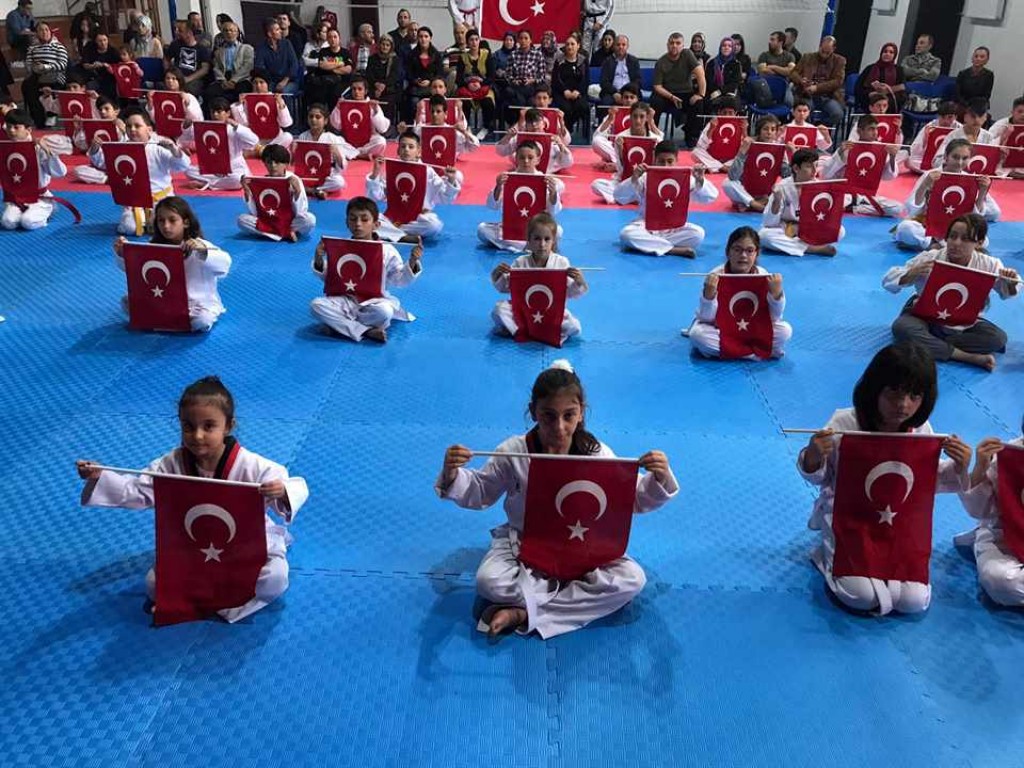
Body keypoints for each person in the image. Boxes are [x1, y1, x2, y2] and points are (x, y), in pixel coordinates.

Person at [437, 359, 679, 638]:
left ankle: (523, 613)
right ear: (533, 412)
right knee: (488, 582)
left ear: (581, 413)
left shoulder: (596, 454)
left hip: (584, 546)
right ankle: (565, 600)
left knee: (632, 579)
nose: (560, 427)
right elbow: (481, 490)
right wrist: (452, 472)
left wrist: (660, 475)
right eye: (549, 416)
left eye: (569, 415)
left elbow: (631, 498)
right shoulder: (514, 451)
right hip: (526, 543)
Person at [77, 375, 309, 623]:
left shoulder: (250, 465)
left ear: (228, 426)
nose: (197, 436)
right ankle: (214, 599)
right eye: (188, 426)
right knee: (154, 585)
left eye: (208, 426)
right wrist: (99, 476)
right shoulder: (171, 464)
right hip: (192, 548)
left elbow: (295, 486)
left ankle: (219, 605)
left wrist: (280, 491)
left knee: (275, 579)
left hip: (245, 546)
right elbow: (137, 491)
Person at [798, 342, 971, 615]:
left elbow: (924, 482)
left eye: (914, 396)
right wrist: (813, 454)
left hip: (898, 520)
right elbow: (820, 477)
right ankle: (826, 557)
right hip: (850, 515)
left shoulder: (921, 429)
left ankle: (873, 573)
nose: (903, 405)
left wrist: (961, 465)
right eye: (893, 393)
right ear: (875, 388)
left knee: (912, 601)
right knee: (861, 595)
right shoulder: (845, 423)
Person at [885, 215, 1018, 371]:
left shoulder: (990, 264)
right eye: (952, 236)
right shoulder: (930, 257)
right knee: (901, 327)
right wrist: (910, 274)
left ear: (979, 242)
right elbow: (888, 280)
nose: (956, 243)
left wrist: (1010, 283)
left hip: (961, 321)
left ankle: (929, 343)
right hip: (923, 316)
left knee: (997, 339)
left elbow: (1008, 293)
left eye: (965, 239)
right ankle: (966, 356)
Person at [310, 196, 423, 344]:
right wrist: (319, 259)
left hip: (374, 302)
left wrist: (412, 262)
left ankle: (339, 326)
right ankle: (366, 331)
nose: (358, 224)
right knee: (316, 306)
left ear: (376, 224)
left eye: (364, 219)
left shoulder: (386, 250)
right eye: (353, 219)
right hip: (345, 300)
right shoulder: (340, 246)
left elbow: (399, 280)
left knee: (385, 312)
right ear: (347, 222)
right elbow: (331, 278)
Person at [112, 197, 230, 332]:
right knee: (127, 301)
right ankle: (170, 322)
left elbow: (225, 266)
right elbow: (136, 271)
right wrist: (123, 253)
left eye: (172, 220)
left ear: (185, 222)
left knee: (202, 320)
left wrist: (203, 252)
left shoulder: (200, 245)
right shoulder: (154, 246)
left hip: (196, 305)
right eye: (161, 221)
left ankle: (163, 323)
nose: (166, 226)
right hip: (165, 301)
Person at [688, 226, 791, 358]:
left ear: (757, 253)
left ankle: (732, 351)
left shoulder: (763, 276)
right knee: (698, 335)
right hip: (724, 328)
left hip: (752, 329)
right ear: (728, 252)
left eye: (749, 251)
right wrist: (709, 296)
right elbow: (706, 318)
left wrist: (776, 296)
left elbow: (774, 318)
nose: (743, 256)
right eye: (737, 249)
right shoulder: (715, 275)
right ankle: (754, 354)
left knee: (785, 331)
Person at [88, 108, 191, 236]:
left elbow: (182, 167)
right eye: (129, 126)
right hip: (135, 201)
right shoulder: (121, 147)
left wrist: (174, 150)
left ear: (149, 129)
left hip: (161, 200)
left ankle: (150, 221)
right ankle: (141, 220)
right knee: (129, 228)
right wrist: (95, 149)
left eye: (137, 126)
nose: (132, 130)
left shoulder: (160, 146)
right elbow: (103, 163)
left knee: (163, 228)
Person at [490, 213, 586, 344]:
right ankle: (531, 329)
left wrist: (579, 281)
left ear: (553, 241)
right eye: (537, 239)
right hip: (524, 311)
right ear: (528, 240)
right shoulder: (520, 262)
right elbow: (507, 288)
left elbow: (570, 293)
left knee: (574, 327)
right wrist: (497, 275)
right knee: (499, 310)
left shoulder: (561, 262)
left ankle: (523, 329)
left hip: (552, 312)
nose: (542, 244)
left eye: (547, 239)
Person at [958, 418, 1024, 607]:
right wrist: (980, 468)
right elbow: (979, 511)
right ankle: (979, 546)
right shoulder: (1010, 455)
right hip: (1004, 535)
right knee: (999, 581)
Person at [617, 139, 718, 257]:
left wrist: (700, 180)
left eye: (670, 161)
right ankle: (672, 250)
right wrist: (634, 178)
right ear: (654, 160)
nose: (666, 165)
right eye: (661, 161)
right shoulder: (645, 178)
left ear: (676, 161)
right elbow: (619, 196)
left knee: (698, 234)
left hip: (674, 228)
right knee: (627, 234)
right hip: (646, 226)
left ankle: (649, 245)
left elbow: (710, 197)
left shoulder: (685, 179)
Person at [894, 139, 997, 251]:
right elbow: (913, 206)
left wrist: (982, 192)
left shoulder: (970, 179)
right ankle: (939, 245)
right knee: (905, 228)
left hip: (956, 228)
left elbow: (974, 216)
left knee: (984, 240)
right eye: (955, 157)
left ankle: (940, 246)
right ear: (946, 157)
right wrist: (925, 184)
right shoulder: (931, 175)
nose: (960, 162)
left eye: (965, 158)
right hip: (928, 225)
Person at [365, 130, 461, 241]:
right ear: (398, 150)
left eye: (411, 147)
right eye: (403, 146)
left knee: (434, 225)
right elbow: (376, 197)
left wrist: (451, 180)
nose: (406, 150)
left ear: (418, 151)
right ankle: (404, 236)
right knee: (370, 220)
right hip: (393, 217)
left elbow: (445, 198)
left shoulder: (427, 171)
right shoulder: (392, 169)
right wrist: (375, 173)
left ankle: (394, 233)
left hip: (418, 218)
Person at [478, 140, 564, 251]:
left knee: (558, 231)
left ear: (538, 160)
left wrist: (553, 193)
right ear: (516, 159)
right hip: (511, 227)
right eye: (522, 157)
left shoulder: (544, 180)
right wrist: (498, 186)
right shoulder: (508, 178)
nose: (526, 161)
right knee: (482, 230)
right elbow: (492, 206)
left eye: (530, 157)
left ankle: (513, 246)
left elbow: (553, 211)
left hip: (536, 229)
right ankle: (528, 246)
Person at [758, 148, 843, 256]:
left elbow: (823, 218)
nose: (814, 170)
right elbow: (768, 223)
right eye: (808, 166)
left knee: (840, 231)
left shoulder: (819, 187)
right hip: (784, 228)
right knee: (764, 236)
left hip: (808, 229)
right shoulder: (782, 187)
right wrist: (777, 201)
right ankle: (812, 248)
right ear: (796, 168)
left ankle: (795, 245)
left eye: (816, 165)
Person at [822, 115, 901, 217]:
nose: (875, 132)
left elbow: (889, 177)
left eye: (876, 129)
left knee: (897, 208)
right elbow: (826, 175)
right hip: (845, 193)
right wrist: (840, 152)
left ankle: (855, 208)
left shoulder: (882, 149)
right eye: (871, 129)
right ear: (859, 131)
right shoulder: (849, 147)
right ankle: (853, 205)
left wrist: (892, 157)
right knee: (825, 203)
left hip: (866, 196)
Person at [0, 108, 66, 230]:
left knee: (28, 222)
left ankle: (48, 208)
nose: (11, 130)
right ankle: (25, 211)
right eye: (8, 127)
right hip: (18, 197)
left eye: (16, 127)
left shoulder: (39, 148)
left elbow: (60, 173)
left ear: (28, 130)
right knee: (8, 222)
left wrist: (49, 153)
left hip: (39, 197)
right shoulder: (6, 148)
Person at [238, 144, 315, 241]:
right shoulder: (260, 181)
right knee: (241, 220)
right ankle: (286, 233)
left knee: (309, 220)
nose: (273, 166)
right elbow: (254, 213)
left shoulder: (294, 180)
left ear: (286, 164)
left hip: (289, 222)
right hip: (269, 221)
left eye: (277, 163)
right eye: (269, 162)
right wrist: (247, 190)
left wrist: (297, 191)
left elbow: (301, 212)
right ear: (264, 163)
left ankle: (272, 233)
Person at [591, 101, 662, 203]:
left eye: (642, 117)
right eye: (635, 116)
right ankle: (633, 198)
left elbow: (658, 168)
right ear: (630, 117)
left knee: (650, 185)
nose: (638, 120)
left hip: (645, 181)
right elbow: (621, 169)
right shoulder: (621, 137)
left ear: (647, 118)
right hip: (625, 181)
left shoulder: (655, 139)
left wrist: (655, 153)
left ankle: (624, 197)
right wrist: (620, 151)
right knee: (596, 184)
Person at [180, 97, 258, 190]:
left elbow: (254, 141)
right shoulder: (205, 127)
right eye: (213, 112)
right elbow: (187, 138)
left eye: (219, 112)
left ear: (228, 113)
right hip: (213, 168)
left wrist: (236, 125)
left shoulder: (234, 129)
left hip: (234, 169)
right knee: (188, 171)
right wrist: (187, 126)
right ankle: (214, 183)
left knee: (238, 180)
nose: (215, 115)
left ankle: (207, 184)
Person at [650, 32, 706, 148]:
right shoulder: (661, 62)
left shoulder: (687, 54)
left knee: (698, 102)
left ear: (682, 46)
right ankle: (652, 135)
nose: (674, 46)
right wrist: (671, 97)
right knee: (655, 101)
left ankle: (691, 136)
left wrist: (700, 94)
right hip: (667, 94)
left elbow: (700, 74)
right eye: (671, 43)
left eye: (678, 43)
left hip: (685, 93)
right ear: (667, 45)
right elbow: (657, 86)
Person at [722, 116, 788, 212]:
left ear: (776, 132)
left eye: (773, 129)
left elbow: (787, 176)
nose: (769, 132)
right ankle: (756, 205)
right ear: (759, 130)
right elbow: (733, 176)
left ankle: (749, 204)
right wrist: (742, 152)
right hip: (744, 191)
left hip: (767, 194)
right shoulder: (748, 143)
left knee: (788, 185)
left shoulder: (779, 148)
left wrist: (792, 154)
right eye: (765, 129)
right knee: (727, 183)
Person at [329, 75, 389, 160]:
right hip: (348, 142)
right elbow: (336, 126)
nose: (356, 92)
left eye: (360, 89)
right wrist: (338, 108)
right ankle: (360, 154)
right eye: (354, 89)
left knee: (381, 141)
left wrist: (376, 110)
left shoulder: (371, 105)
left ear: (366, 91)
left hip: (367, 142)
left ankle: (352, 153)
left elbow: (382, 129)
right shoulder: (345, 104)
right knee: (332, 140)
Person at [791, 36, 846, 128]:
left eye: (827, 52)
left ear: (834, 49)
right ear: (820, 46)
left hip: (828, 96)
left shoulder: (839, 61)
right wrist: (801, 80)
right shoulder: (807, 57)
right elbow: (793, 73)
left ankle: (819, 127)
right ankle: (808, 129)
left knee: (837, 114)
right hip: (807, 95)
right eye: (822, 51)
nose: (824, 55)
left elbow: (838, 81)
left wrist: (817, 88)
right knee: (803, 113)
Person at [496, 107, 573, 173]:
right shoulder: (519, 138)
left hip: (548, 175)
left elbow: (567, 163)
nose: (534, 124)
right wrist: (507, 137)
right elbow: (501, 152)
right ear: (526, 125)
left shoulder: (552, 140)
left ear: (543, 124)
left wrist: (561, 145)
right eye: (530, 122)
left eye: (537, 121)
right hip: (523, 173)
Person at [22, 23, 69, 129]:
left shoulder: (59, 47)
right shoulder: (32, 48)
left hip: (55, 74)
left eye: (46, 30)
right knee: (27, 85)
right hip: (37, 74)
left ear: (50, 32)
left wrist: (47, 67)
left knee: (48, 83)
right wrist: (34, 68)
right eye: (41, 30)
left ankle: (51, 113)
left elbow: (63, 64)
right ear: (37, 33)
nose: (44, 32)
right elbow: (28, 64)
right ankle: (38, 119)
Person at [296, 103, 348, 198]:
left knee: (339, 182)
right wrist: (294, 152)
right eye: (311, 116)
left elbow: (342, 166)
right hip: (307, 174)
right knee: (291, 180)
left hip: (326, 174)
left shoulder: (333, 138)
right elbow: (297, 164)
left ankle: (309, 190)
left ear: (325, 121)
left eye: (318, 117)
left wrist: (336, 153)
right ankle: (316, 191)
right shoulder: (302, 136)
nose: (313, 120)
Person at [231, 74, 292, 150]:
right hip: (255, 140)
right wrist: (240, 105)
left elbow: (286, 124)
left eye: (261, 82)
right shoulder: (248, 100)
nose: (258, 86)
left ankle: (263, 150)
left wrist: (281, 105)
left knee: (288, 136)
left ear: (267, 84)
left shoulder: (275, 99)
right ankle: (266, 151)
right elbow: (243, 124)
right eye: (255, 83)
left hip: (274, 139)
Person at [72, 95, 124, 183]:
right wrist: (78, 129)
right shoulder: (95, 126)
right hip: (102, 166)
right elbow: (81, 146)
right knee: (78, 170)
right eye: (100, 109)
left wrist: (123, 130)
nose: (102, 112)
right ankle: (108, 179)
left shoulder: (124, 126)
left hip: (120, 164)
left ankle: (115, 177)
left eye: (106, 109)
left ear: (116, 111)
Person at [456, 28, 495, 138]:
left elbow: (492, 76)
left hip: (483, 86)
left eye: (476, 39)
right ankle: (466, 127)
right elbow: (458, 78)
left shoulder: (486, 54)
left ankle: (486, 128)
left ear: (479, 41)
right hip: (467, 88)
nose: (474, 42)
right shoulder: (462, 57)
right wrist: (468, 84)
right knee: (464, 102)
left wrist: (480, 84)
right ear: (467, 42)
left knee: (488, 101)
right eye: (471, 40)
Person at [932, 98, 997, 163]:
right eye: (973, 116)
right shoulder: (954, 136)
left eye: (980, 116)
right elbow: (937, 161)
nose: (977, 120)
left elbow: (992, 161)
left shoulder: (989, 137)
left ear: (985, 117)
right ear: (965, 117)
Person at [591, 83, 639, 169]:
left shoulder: (642, 114)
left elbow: (656, 137)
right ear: (621, 99)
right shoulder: (615, 112)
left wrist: (650, 121)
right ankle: (619, 164)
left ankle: (617, 164)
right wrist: (610, 118)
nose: (629, 100)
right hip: (616, 149)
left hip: (635, 149)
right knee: (596, 141)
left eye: (632, 97)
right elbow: (597, 135)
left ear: (637, 99)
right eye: (626, 97)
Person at [691, 97, 744, 174]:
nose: (727, 116)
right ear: (719, 112)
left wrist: (745, 131)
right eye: (724, 112)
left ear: (735, 113)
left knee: (747, 155)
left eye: (730, 113)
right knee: (695, 153)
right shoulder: (713, 123)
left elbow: (744, 148)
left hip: (731, 160)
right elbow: (701, 146)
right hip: (713, 157)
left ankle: (714, 167)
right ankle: (723, 168)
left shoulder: (740, 124)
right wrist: (711, 129)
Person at [403, 26, 445, 122]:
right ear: (417, 38)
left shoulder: (437, 55)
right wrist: (415, 80)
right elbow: (408, 72)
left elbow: (440, 73)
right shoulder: (411, 54)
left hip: (432, 87)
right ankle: (415, 125)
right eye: (421, 36)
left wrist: (430, 81)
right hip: (415, 87)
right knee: (413, 102)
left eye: (426, 36)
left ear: (430, 38)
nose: (423, 39)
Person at [906, 101, 960, 173]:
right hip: (928, 160)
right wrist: (925, 140)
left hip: (949, 162)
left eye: (950, 117)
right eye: (943, 117)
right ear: (938, 116)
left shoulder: (960, 129)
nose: (946, 121)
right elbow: (914, 151)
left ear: (955, 117)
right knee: (908, 160)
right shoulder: (930, 126)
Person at [206, 21, 254, 102]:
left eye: (231, 30)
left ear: (237, 33)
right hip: (224, 78)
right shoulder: (218, 51)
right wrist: (223, 80)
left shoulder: (247, 48)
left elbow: (247, 67)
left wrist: (233, 80)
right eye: (226, 30)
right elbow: (216, 68)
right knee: (209, 92)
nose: (228, 33)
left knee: (242, 91)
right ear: (222, 34)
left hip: (241, 78)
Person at [305, 27, 352, 108]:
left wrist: (330, 68)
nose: (333, 39)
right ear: (327, 39)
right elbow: (322, 65)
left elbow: (348, 70)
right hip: (324, 83)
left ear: (339, 38)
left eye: (335, 37)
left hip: (340, 83)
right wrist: (339, 64)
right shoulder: (323, 51)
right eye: (330, 37)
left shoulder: (345, 52)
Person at [164, 21, 212, 99]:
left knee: (188, 89)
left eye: (180, 30)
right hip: (175, 78)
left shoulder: (202, 49)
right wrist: (168, 72)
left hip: (193, 80)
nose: (177, 32)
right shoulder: (175, 44)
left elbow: (205, 69)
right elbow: (166, 58)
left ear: (189, 33)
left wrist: (188, 78)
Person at [855, 43, 905, 113]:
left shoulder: (899, 71)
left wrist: (887, 94)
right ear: (881, 53)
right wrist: (870, 94)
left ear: (894, 55)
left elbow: (902, 91)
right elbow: (858, 88)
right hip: (870, 101)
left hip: (890, 103)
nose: (887, 54)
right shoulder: (870, 68)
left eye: (891, 52)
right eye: (885, 51)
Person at [254, 18, 299, 94]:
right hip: (272, 81)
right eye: (277, 30)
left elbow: (294, 64)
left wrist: (284, 81)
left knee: (283, 91)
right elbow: (260, 68)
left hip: (289, 80)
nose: (281, 31)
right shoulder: (261, 48)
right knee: (264, 92)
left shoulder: (287, 43)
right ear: (270, 34)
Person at [367, 34, 402, 131]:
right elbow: (369, 74)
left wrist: (382, 85)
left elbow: (394, 76)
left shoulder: (395, 59)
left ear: (391, 47)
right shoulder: (372, 58)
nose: (385, 47)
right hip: (374, 88)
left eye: (387, 45)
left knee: (390, 101)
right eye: (383, 44)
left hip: (389, 88)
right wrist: (376, 84)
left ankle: (387, 129)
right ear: (379, 45)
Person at [598, 35, 640, 109]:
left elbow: (638, 80)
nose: (620, 47)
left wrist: (627, 93)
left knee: (638, 103)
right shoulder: (607, 61)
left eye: (623, 45)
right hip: (611, 93)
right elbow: (604, 82)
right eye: (618, 45)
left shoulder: (634, 61)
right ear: (614, 46)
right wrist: (614, 93)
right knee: (606, 102)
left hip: (631, 92)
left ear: (627, 46)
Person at [77, 31, 119, 100]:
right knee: (88, 87)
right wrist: (94, 66)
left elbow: (118, 67)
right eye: (100, 41)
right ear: (95, 41)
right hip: (94, 77)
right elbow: (85, 65)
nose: (103, 43)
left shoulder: (113, 52)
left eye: (105, 40)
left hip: (110, 79)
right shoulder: (91, 50)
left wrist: (108, 67)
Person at [705, 37, 743, 111]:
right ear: (720, 48)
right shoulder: (712, 63)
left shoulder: (736, 64)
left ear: (732, 49)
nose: (726, 48)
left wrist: (720, 91)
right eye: (724, 45)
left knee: (729, 102)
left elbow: (734, 83)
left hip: (730, 93)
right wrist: (714, 91)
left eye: (729, 46)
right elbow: (708, 81)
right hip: (713, 93)